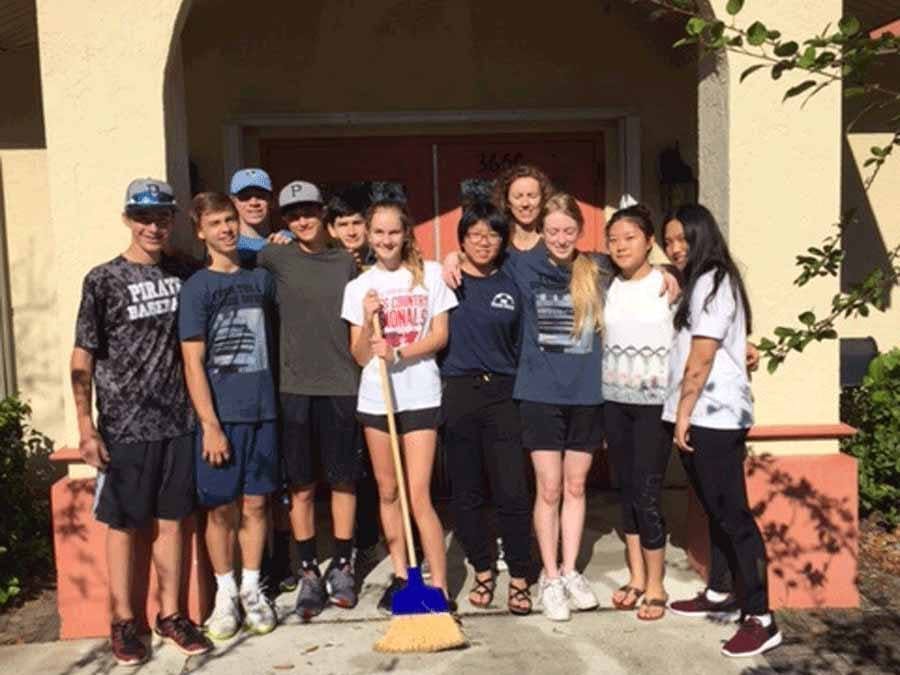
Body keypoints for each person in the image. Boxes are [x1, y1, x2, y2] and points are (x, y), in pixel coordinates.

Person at [71, 178, 212, 665]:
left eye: (161, 217)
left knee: (174, 523)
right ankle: (122, 621)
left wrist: (270, 244)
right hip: (125, 426)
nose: (153, 226)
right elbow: (82, 358)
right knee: (126, 525)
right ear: (128, 219)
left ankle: (171, 614)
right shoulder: (103, 279)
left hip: (178, 422)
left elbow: (231, 263)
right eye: (143, 217)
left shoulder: (185, 272)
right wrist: (85, 429)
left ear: (173, 221)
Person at [662, 204, 782, 658]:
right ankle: (721, 593)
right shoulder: (701, 279)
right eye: (669, 241)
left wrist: (686, 410)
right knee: (713, 507)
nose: (675, 248)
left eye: (682, 240)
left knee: (733, 514)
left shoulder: (713, 279)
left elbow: (704, 355)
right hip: (698, 413)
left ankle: (761, 618)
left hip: (713, 414)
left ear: (702, 237)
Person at [340, 184, 458, 612]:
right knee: (388, 493)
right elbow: (357, 353)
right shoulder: (360, 286)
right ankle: (405, 575)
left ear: (406, 233)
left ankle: (440, 586)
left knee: (418, 493)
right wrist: (371, 320)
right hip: (376, 399)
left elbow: (441, 336)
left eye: (394, 232)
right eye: (378, 233)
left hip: (419, 393)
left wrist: (401, 350)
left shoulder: (428, 276)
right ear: (368, 236)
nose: (386, 240)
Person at [257, 180, 364, 619]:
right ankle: (307, 572)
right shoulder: (275, 256)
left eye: (308, 211)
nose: (301, 220)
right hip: (294, 389)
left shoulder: (348, 262)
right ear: (284, 220)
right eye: (292, 215)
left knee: (343, 481)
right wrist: (264, 237)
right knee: (300, 486)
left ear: (323, 212)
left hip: (342, 385)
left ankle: (341, 565)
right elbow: (231, 245)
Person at [179, 192, 279, 639]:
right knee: (220, 510)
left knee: (257, 504)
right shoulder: (198, 287)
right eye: (216, 222)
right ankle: (224, 595)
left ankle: (252, 589)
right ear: (200, 230)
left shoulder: (260, 279)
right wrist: (210, 425)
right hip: (222, 417)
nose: (226, 229)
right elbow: (192, 362)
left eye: (230, 220)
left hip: (264, 412)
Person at [505, 192, 606, 621]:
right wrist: (451, 262)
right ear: (540, 232)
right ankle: (548, 576)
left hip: (587, 394)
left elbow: (644, 268)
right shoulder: (520, 265)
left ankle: (569, 572)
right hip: (540, 393)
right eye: (553, 231)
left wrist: (670, 275)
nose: (561, 238)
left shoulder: (599, 268)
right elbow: (476, 267)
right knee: (548, 488)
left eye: (568, 230)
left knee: (576, 487)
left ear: (580, 231)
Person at [440, 188, 533, 614]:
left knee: (512, 491)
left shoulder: (513, 282)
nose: (483, 241)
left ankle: (518, 574)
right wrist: (445, 261)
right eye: (474, 234)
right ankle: (482, 568)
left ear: (502, 240)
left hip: (503, 393)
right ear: (460, 240)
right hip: (458, 392)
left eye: (492, 235)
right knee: (467, 492)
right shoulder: (444, 281)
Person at [602, 205, 675, 620]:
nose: (620, 246)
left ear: (649, 241)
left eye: (630, 237)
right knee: (625, 491)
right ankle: (635, 576)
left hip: (654, 407)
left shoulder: (667, 284)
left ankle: (656, 583)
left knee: (647, 494)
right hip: (615, 402)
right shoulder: (606, 284)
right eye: (613, 239)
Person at [324, 184, 382, 567]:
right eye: (342, 224)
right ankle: (348, 547)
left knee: (381, 472)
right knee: (346, 468)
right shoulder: (323, 262)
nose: (351, 231)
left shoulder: (384, 263)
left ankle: (373, 541)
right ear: (331, 229)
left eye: (357, 222)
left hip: (379, 379)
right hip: (337, 378)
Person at [229, 168, 292, 265]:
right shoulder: (229, 245)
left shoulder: (287, 238)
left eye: (261, 196)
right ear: (233, 202)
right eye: (245, 197)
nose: (254, 203)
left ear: (271, 201)